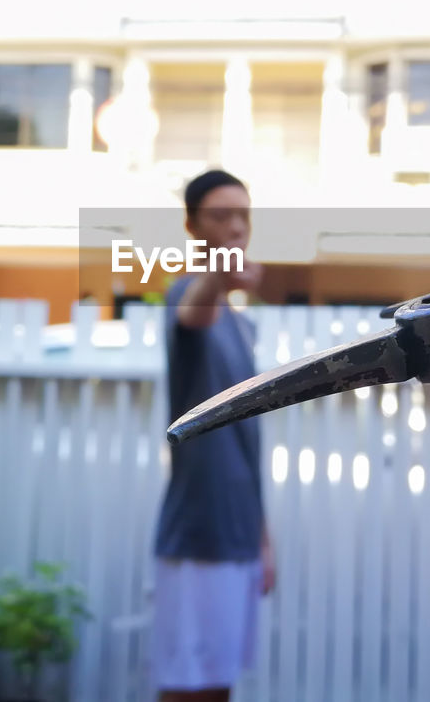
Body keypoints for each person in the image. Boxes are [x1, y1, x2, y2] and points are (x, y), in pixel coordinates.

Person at [151, 169, 276, 702]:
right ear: (191, 225)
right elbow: (192, 309)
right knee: (187, 686)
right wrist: (218, 278)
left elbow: (247, 444)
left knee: (219, 685)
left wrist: (264, 539)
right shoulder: (191, 295)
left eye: (242, 215)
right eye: (220, 216)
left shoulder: (241, 325)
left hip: (239, 535)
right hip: (199, 533)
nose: (235, 227)